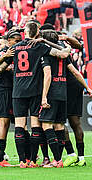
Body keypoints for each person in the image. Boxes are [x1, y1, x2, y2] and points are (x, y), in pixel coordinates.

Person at [0, 21, 71, 168]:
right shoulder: (39, 46)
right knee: (35, 126)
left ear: (25, 32)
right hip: (35, 91)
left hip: (18, 91)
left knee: (19, 126)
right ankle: (32, 160)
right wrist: (67, 46)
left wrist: (2, 61)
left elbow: (0, 68)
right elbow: (63, 54)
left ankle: (22, 161)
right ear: (37, 32)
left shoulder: (16, 47)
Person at [38, 30, 92, 168]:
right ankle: (76, 156)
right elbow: (75, 70)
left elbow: (78, 47)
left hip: (63, 87)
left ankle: (70, 156)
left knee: (59, 123)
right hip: (66, 86)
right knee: (67, 123)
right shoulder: (62, 48)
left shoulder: (50, 50)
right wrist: (87, 87)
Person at [0, 30, 22, 167]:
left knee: (7, 123)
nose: (20, 42)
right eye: (17, 40)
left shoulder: (18, 52)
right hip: (2, 89)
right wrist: (5, 56)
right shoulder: (6, 51)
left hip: (8, 90)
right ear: (10, 41)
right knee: (4, 123)